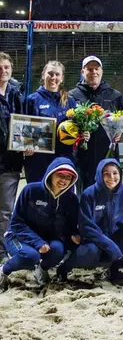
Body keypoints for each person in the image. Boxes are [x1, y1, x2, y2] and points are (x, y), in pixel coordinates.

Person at [0, 158, 78, 291]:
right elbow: (17, 223)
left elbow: (70, 226)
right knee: (31, 256)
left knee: (58, 249)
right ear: (51, 174)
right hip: (18, 236)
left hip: (46, 240)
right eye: (60, 175)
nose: (64, 180)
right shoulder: (31, 190)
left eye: (68, 177)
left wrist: (74, 235)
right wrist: (37, 242)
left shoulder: (71, 199)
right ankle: (3, 271)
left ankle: (41, 270)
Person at [67, 159, 123, 284]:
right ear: (99, 174)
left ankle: (114, 270)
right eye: (106, 174)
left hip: (116, 236)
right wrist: (108, 244)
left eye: (115, 173)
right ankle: (65, 268)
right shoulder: (89, 194)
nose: (111, 177)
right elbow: (86, 226)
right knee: (89, 252)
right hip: (96, 240)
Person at [69, 55, 123, 190]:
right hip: (82, 157)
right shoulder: (73, 96)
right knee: (84, 193)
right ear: (82, 72)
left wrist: (122, 134)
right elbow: (67, 123)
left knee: (110, 191)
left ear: (102, 72)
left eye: (96, 68)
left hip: (108, 154)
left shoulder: (115, 95)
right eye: (89, 69)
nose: (93, 72)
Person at [24, 60, 78, 183]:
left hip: (64, 158)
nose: (53, 77)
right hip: (37, 161)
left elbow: (77, 129)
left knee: (63, 198)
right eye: (50, 73)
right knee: (38, 197)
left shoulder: (70, 101)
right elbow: (24, 130)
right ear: (43, 75)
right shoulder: (32, 100)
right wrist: (26, 145)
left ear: (62, 78)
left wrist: (82, 135)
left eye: (57, 74)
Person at [0, 53, 31, 257]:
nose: (3, 71)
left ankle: (2, 250)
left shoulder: (17, 94)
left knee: (5, 210)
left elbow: (25, 126)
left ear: (11, 70)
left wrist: (28, 145)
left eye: (6, 67)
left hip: (10, 163)